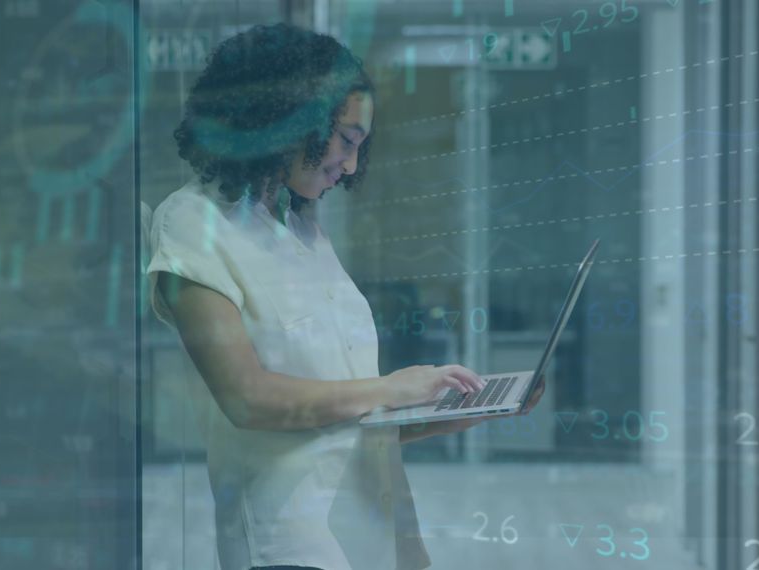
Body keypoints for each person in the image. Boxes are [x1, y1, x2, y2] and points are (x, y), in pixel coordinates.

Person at [146, 23, 542, 570]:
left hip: (371, 533)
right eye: (347, 141)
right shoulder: (190, 224)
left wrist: (452, 412)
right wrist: (391, 386)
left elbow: (343, 420)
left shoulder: (301, 228)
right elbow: (246, 398)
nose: (351, 166)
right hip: (288, 545)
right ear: (291, 119)